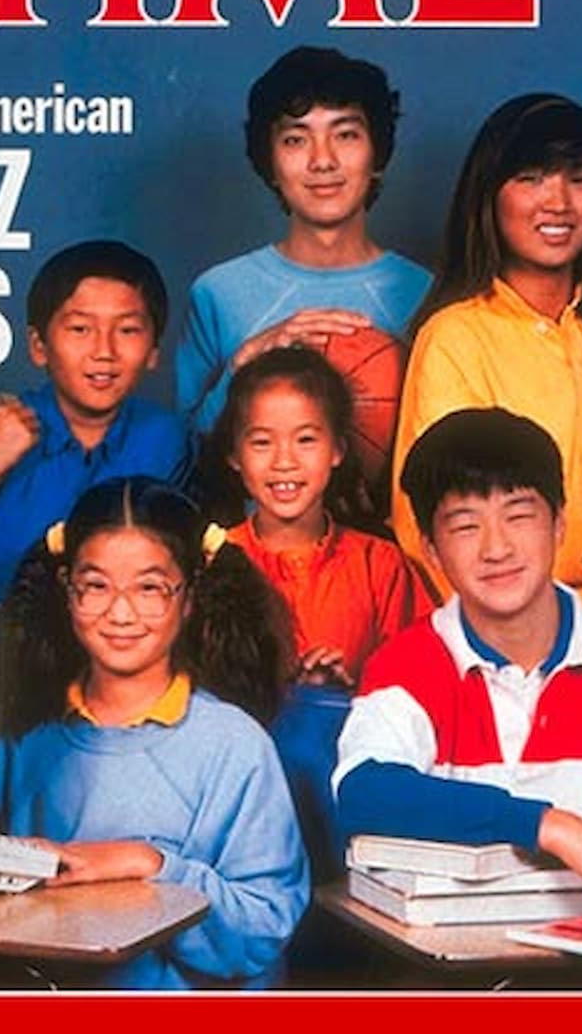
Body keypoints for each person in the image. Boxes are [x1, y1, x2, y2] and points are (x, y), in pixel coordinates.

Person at [0, 476, 309, 991]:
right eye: (96, 586)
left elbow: (265, 925)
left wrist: (150, 864)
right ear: (67, 591)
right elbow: (9, 892)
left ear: (189, 598)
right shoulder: (24, 731)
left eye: (150, 588)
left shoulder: (235, 746)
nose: (121, 613)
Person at [336, 409, 582, 920]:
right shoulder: (407, 666)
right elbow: (364, 792)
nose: (496, 548)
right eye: (466, 526)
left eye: (519, 515)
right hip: (459, 961)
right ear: (431, 549)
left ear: (560, 525)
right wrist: (551, 826)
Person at [389, 93, 582, 648]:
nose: (558, 202)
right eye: (530, 178)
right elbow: (429, 530)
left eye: (580, 179)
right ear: (489, 197)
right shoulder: (456, 340)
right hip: (518, 662)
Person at [204, 345, 421, 880]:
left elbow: (418, 683)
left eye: (306, 439)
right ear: (233, 455)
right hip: (236, 798)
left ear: (338, 450)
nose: (284, 461)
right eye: (262, 442)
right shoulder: (211, 561)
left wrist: (345, 690)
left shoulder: (379, 564)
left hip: (340, 794)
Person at [0, 240, 194, 604]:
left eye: (127, 330)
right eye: (80, 329)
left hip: (112, 632)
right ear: (39, 346)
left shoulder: (166, 438)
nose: (104, 351)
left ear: (153, 352)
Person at [174, 45, 431, 436]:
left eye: (346, 135)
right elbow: (183, 456)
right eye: (296, 139)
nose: (322, 161)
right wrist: (243, 364)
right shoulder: (217, 293)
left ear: (377, 154)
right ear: (269, 163)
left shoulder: (428, 293)